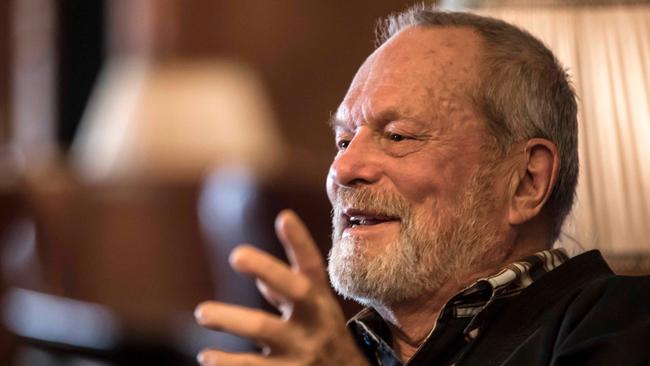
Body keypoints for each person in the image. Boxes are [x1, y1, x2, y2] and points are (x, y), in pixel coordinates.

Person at [193, 5, 650, 366]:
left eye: (397, 136)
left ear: (526, 182)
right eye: (343, 140)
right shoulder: (322, 350)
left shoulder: (621, 323)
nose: (344, 169)